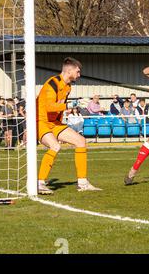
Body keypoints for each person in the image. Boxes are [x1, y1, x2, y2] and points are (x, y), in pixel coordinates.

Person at [36, 57, 101, 195]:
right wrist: (69, 105)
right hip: (40, 121)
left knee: (81, 141)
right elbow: (48, 107)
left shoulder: (68, 86)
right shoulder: (52, 83)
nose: (79, 74)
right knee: (55, 146)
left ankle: (83, 183)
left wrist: (74, 106)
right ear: (69, 70)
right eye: (77, 71)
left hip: (55, 123)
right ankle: (40, 183)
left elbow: (60, 107)